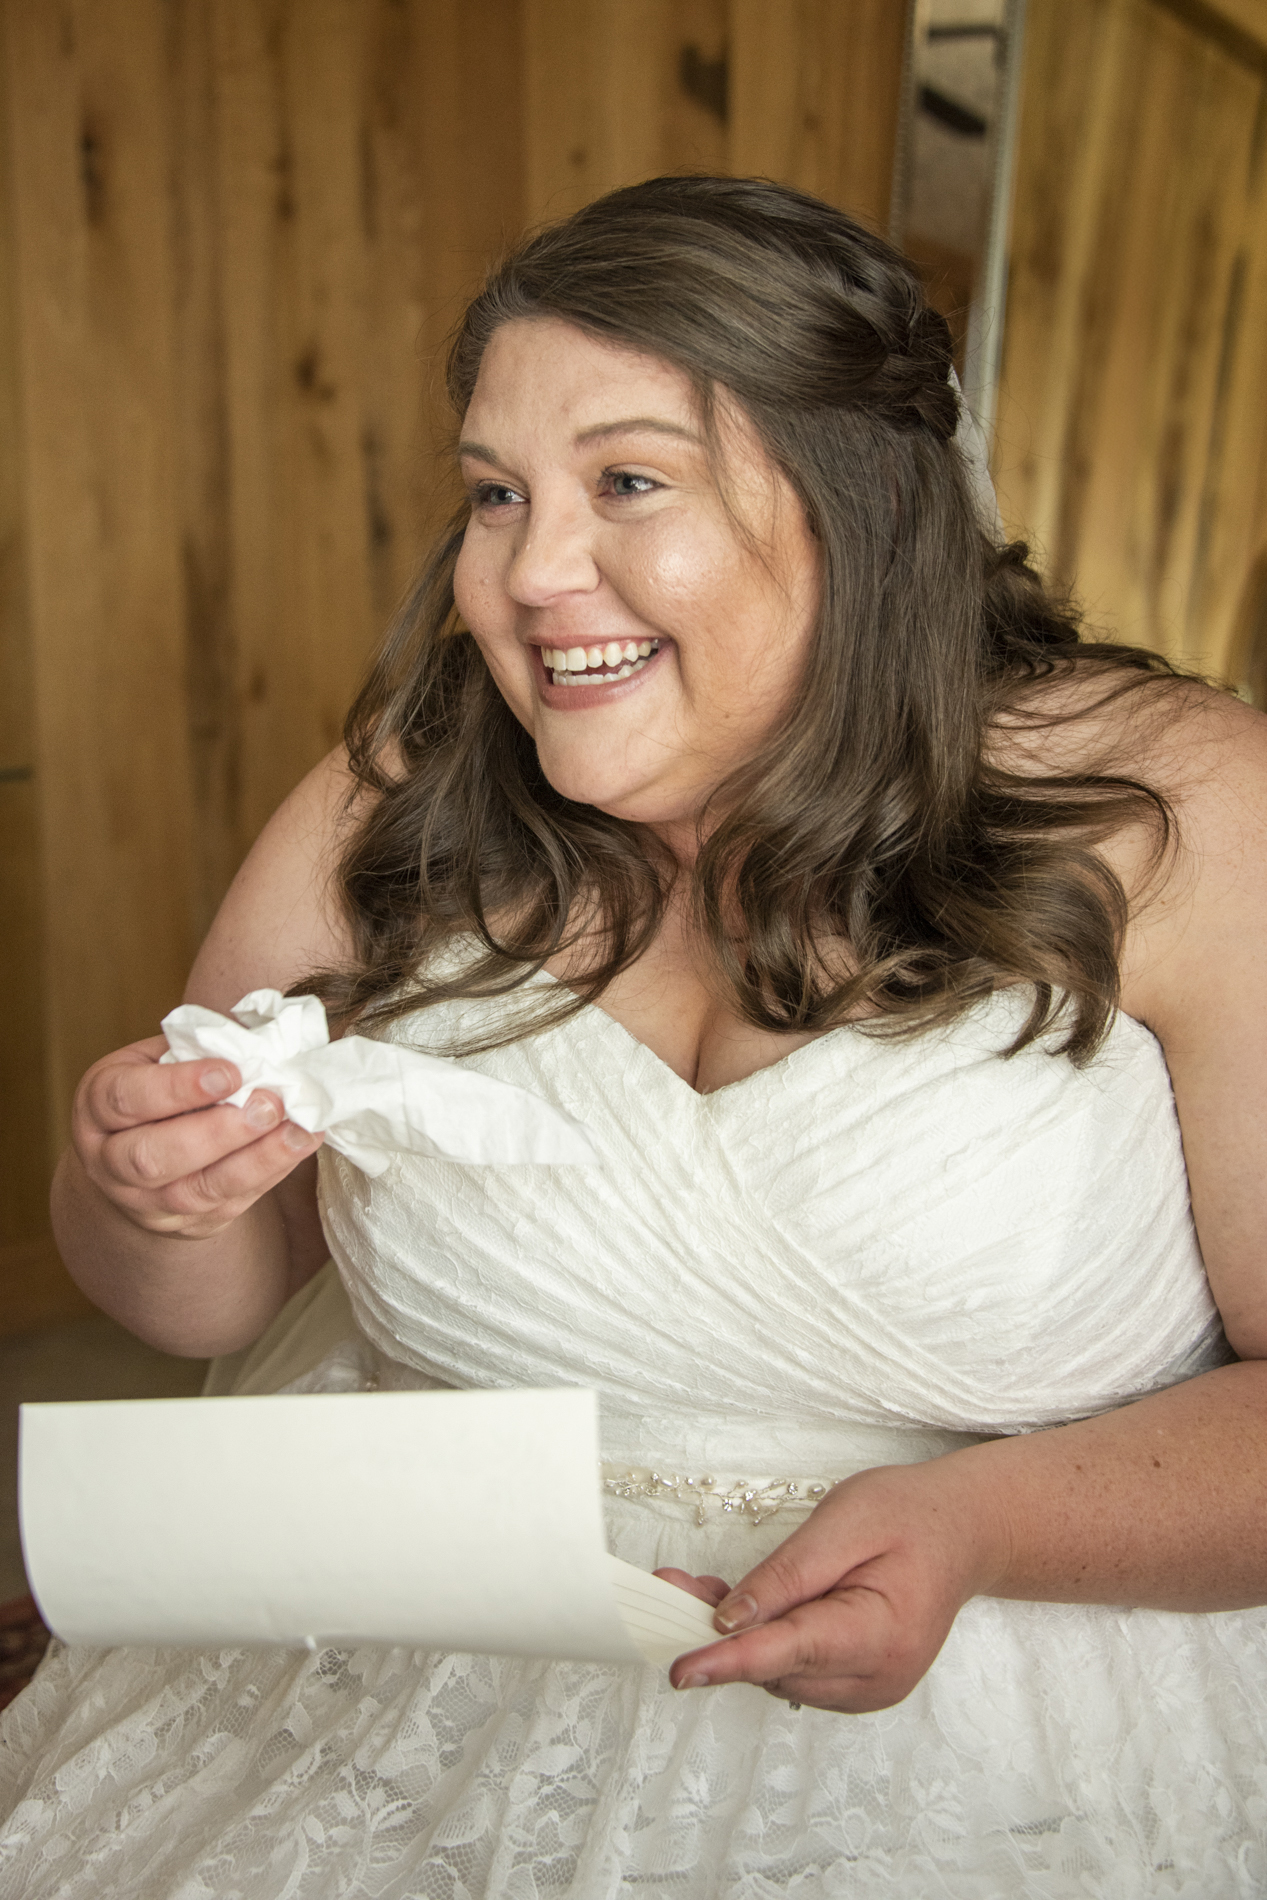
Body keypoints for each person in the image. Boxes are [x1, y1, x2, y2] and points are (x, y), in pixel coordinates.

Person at [2, 173, 1266, 1898]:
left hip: (1014, 1722)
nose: (531, 575)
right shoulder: (399, 801)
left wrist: (985, 1524)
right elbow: (194, 1301)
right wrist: (139, 1191)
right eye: (496, 494)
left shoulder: (1179, 809)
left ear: (861, 505)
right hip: (398, 1705)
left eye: (628, 483)